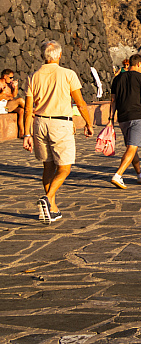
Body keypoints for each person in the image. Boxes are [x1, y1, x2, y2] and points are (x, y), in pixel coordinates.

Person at [23, 40, 94, 224]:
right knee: (65, 167)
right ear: (59, 55)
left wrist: (27, 134)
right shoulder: (68, 74)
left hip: (40, 123)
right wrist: (88, 123)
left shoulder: (33, 77)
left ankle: (51, 209)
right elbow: (80, 103)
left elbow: (28, 109)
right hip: (60, 124)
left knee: (48, 166)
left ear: (43, 56)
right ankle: (48, 198)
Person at [109, 54, 141, 189]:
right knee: (132, 147)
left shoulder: (117, 79)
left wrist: (110, 119)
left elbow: (113, 101)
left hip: (123, 118)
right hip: (137, 117)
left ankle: (139, 174)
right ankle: (118, 175)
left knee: (132, 147)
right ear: (138, 64)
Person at [0, 68, 26, 138]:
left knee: (21, 111)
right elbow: (4, 96)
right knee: (20, 100)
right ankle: (31, 112)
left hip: (7, 104)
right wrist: (3, 94)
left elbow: (14, 95)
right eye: (10, 77)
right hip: (2, 105)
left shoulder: (9, 84)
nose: (11, 79)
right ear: (5, 76)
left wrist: (15, 87)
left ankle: (22, 132)